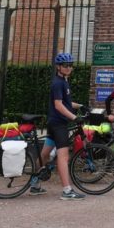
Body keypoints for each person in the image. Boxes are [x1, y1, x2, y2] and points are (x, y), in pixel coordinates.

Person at [29, 51, 85, 200]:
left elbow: (66, 103)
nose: (69, 68)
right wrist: (74, 117)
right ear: (58, 67)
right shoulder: (58, 83)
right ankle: (67, 191)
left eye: (71, 65)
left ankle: (34, 183)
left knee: (44, 154)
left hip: (53, 123)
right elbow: (58, 105)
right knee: (63, 157)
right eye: (65, 65)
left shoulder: (63, 81)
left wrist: (81, 106)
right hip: (59, 124)